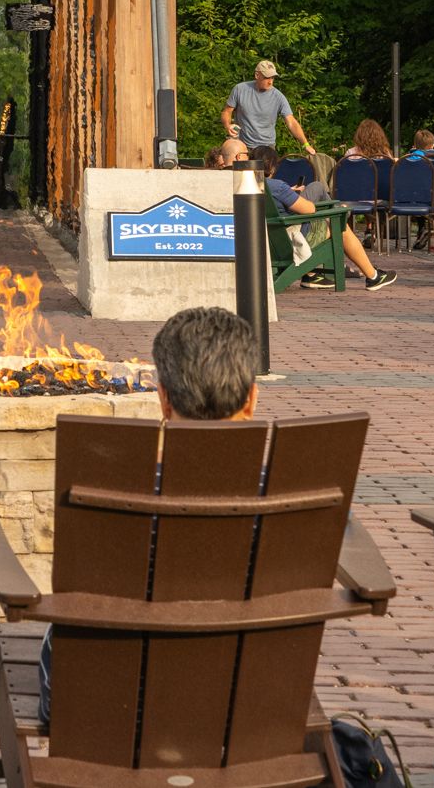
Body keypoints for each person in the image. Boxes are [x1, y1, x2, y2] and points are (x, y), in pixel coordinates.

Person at [39, 305, 266, 723]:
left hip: (99, 709)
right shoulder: (283, 493)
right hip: (244, 708)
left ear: (162, 400)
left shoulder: (114, 486)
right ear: (251, 398)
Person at [252, 144, 397, 291]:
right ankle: (373, 276)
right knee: (339, 227)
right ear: (272, 167)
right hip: (289, 241)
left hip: (265, 243)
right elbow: (309, 209)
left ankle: (311, 274)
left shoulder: (244, 186)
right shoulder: (277, 186)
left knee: (326, 207)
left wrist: (289, 194)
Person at [222, 60, 311, 152]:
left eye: (272, 78)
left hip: (267, 147)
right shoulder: (240, 89)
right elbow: (227, 112)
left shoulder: (278, 97)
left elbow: (291, 122)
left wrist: (305, 144)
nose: (270, 82)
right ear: (257, 75)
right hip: (242, 146)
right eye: (267, 77)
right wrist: (227, 125)